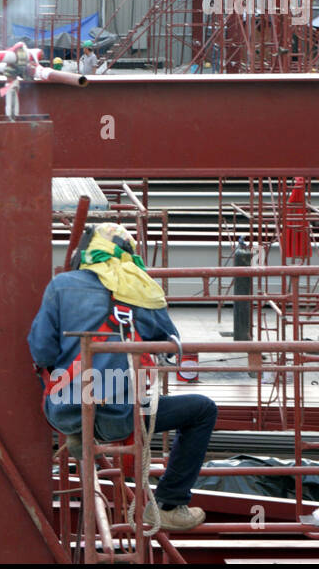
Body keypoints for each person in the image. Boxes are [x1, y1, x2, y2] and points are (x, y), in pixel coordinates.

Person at [28, 222, 217, 531]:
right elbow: (170, 344)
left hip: (60, 409)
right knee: (202, 411)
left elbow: (41, 350)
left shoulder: (61, 286)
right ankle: (170, 504)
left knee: (58, 376)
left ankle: (78, 426)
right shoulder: (140, 289)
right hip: (122, 417)